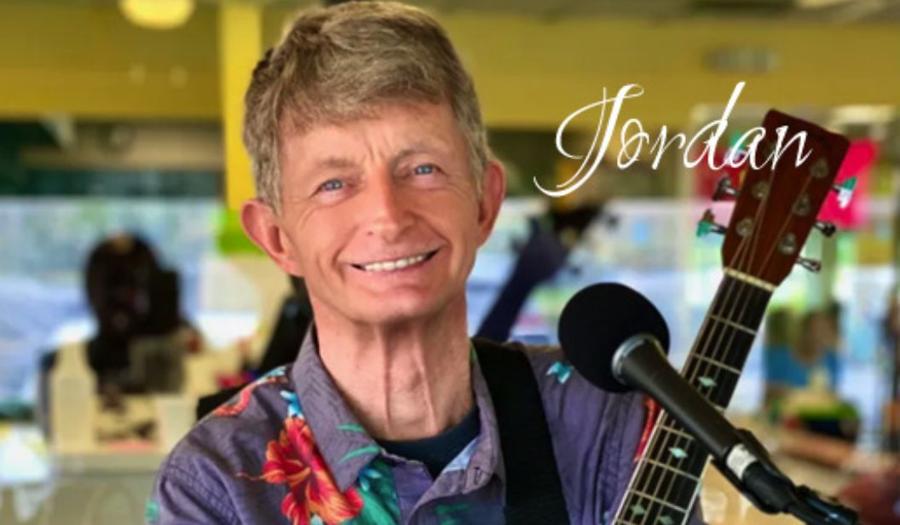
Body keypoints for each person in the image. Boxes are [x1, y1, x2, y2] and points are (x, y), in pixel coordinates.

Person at [150, 3, 701, 524]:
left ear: (484, 202)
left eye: (423, 169)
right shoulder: (218, 482)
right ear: (276, 237)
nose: (388, 217)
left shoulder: (606, 421)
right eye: (334, 184)